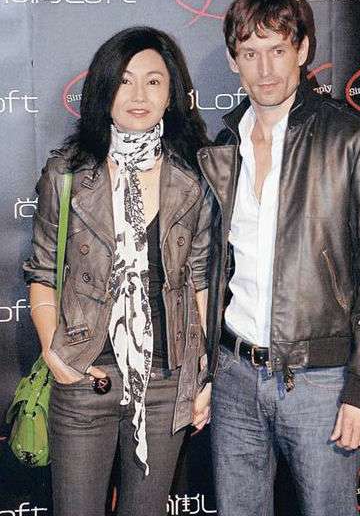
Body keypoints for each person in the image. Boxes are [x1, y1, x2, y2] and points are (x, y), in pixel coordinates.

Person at [197, 0, 360, 515]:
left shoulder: (352, 140)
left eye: (278, 50)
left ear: (303, 50)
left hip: (322, 382)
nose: (265, 69)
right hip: (234, 376)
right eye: (250, 53)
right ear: (233, 61)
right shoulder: (223, 146)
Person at [23, 26, 212, 516]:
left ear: (171, 93)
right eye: (124, 81)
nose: (139, 96)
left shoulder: (193, 175)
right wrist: (55, 353)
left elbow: (199, 280)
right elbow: (42, 271)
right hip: (86, 374)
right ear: (104, 90)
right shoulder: (68, 172)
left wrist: (201, 374)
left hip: (166, 381)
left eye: (153, 81)